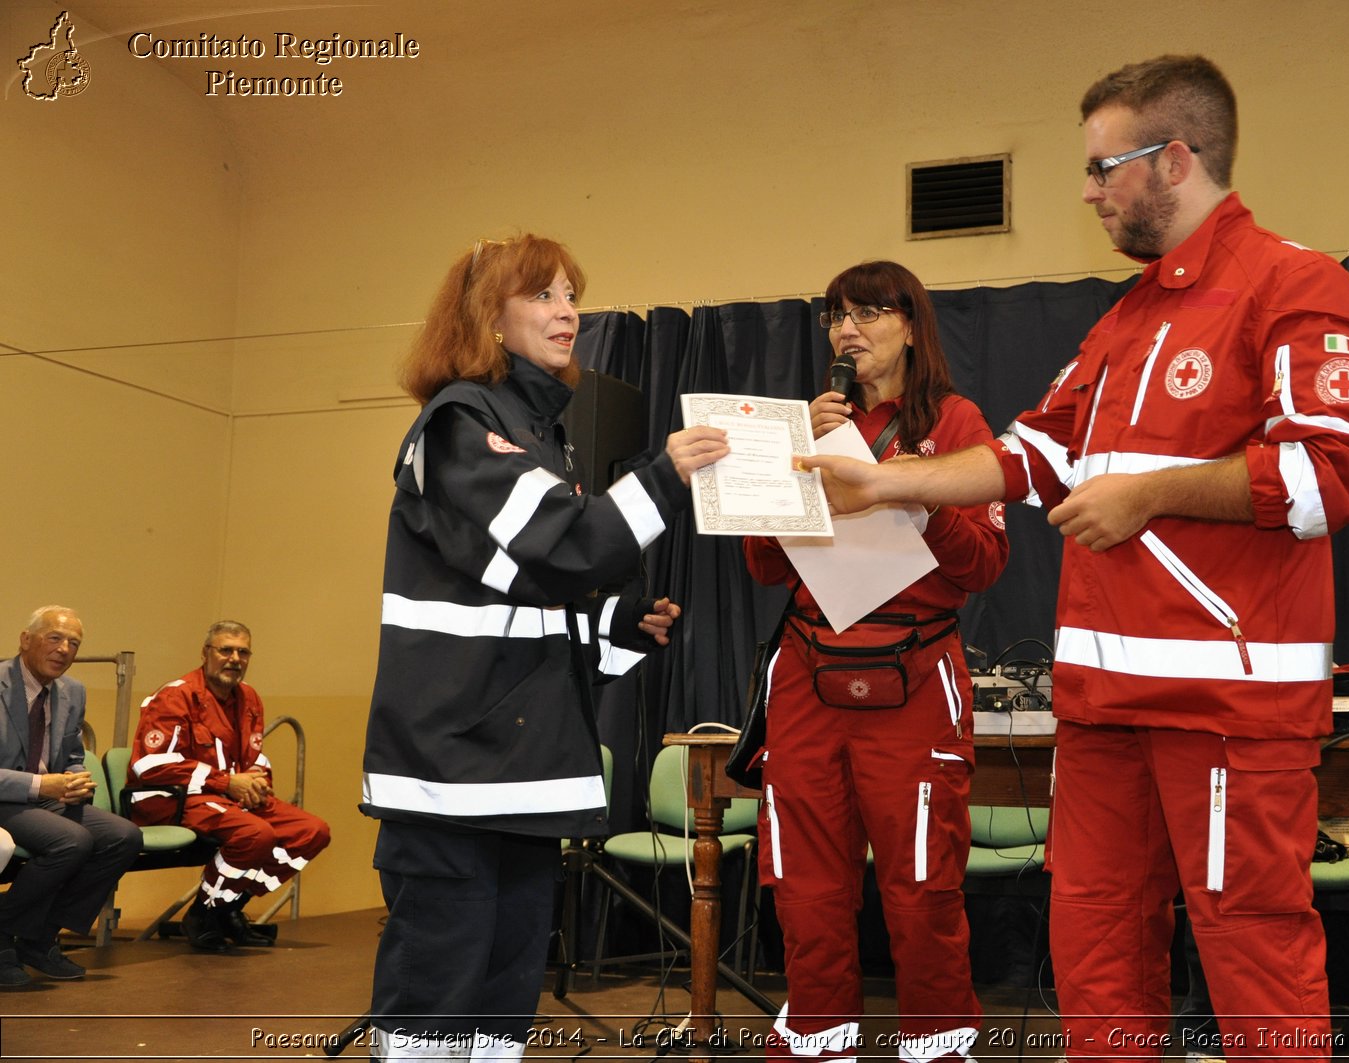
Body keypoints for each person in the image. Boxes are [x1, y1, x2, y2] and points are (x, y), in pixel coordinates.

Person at [804, 56, 1349, 1059]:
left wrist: (1149, 493)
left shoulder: (1296, 285)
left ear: (1172, 160)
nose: (1085, 193)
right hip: (1099, 707)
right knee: (1095, 952)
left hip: (1224, 714)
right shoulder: (1122, 321)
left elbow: (1331, 475)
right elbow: (1032, 455)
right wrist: (887, 480)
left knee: (1254, 961)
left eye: (1099, 169)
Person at [361, 234, 728, 1062]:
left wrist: (615, 628)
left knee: (504, 990)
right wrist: (665, 475)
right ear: (490, 316)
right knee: (436, 993)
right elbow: (565, 548)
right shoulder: (461, 421)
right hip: (452, 766)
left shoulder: (537, 430)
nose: (568, 312)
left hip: (519, 767)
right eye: (544, 296)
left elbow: (525, 594)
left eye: (572, 295)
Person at [745, 261, 1008, 1062]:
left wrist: (914, 493)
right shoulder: (806, 423)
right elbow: (764, 564)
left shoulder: (955, 421)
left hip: (916, 675)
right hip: (808, 672)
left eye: (865, 312)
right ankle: (819, 1041)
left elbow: (985, 565)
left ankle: (939, 1044)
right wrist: (801, 453)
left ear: (910, 324)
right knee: (806, 887)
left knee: (923, 884)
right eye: (834, 316)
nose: (846, 330)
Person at [126, 621, 331, 951]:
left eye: (243, 651)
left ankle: (228, 907)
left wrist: (258, 781)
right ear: (206, 653)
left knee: (311, 831)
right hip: (171, 798)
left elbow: (253, 755)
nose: (234, 658)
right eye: (225, 650)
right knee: (255, 834)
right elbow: (148, 765)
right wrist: (226, 782)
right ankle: (204, 913)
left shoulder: (249, 698)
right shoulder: (176, 696)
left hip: (226, 797)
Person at [0, 606, 142, 988]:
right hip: (6, 800)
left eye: (73, 643)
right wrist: (42, 786)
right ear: (25, 640)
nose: (64, 649)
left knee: (124, 836)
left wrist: (78, 779)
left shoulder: (72, 692)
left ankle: (40, 937)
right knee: (71, 841)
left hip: (50, 797)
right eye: (55, 638)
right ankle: (2, 938)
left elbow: (73, 757)